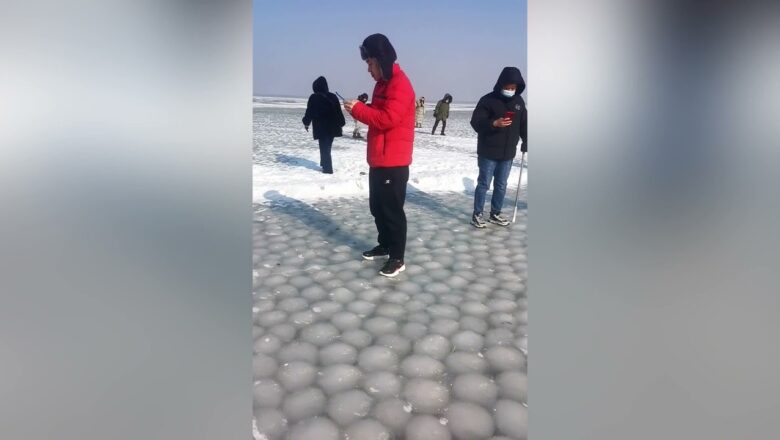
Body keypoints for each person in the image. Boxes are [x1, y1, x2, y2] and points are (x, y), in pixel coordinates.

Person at [343, 33, 415, 277]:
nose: (368, 69)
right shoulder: (382, 84)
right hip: (378, 158)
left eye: (370, 63)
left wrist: (361, 110)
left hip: (394, 162)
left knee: (392, 210)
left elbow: (388, 119)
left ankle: (397, 257)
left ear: (381, 61)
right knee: (378, 207)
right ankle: (385, 245)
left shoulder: (400, 84)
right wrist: (363, 108)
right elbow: (379, 111)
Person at [469, 66, 527, 228]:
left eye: (513, 88)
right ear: (500, 84)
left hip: (507, 153)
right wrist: (494, 123)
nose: (510, 90)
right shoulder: (488, 100)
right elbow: (476, 122)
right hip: (488, 151)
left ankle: (495, 213)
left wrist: (527, 139)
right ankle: (477, 214)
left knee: (501, 185)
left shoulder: (519, 102)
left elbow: (524, 124)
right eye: (507, 87)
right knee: (484, 184)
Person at [302, 76, 346, 174]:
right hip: (333, 127)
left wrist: (306, 122)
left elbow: (309, 112)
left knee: (324, 148)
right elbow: (338, 111)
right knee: (326, 147)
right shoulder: (333, 97)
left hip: (321, 128)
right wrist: (342, 123)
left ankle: (328, 170)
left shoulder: (313, 97)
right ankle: (324, 164)